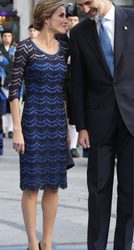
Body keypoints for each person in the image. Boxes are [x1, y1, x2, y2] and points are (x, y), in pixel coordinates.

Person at [70, 0, 134, 249]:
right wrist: (81, 126)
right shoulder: (79, 32)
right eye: (80, 5)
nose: (84, 9)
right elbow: (76, 82)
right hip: (98, 124)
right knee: (97, 193)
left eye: (87, 3)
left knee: (128, 192)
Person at [9, 1, 68, 250]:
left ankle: (48, 241)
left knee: (53, 186)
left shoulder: (64, 49)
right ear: (46, 18)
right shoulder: (25, 48)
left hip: (56, 122)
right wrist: (18, 129)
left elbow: (66, 91)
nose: (66, 19)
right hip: (32, 122)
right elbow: (14, 92)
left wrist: (67, 127)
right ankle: (33, 243)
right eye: (62, 15)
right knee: (32, 185)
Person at [57, 2, 80, 158]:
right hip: (60, 78)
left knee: (74, 112)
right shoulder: (58, 37)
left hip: (75, 80)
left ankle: (72, 146)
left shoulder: (83, 35)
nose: (71, 23)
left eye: (74, 20)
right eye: (69, 20)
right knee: (59, 112)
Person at [0, 29, 16, 139]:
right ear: (1, 38)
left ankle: (11, 129)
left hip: (14, 80)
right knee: (3, 105)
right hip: (2, 81)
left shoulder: (15, 49)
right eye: (4, 36)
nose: (7, 38)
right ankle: (4, 128)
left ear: (12, 37)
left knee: (13, 106)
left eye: (9, 36)